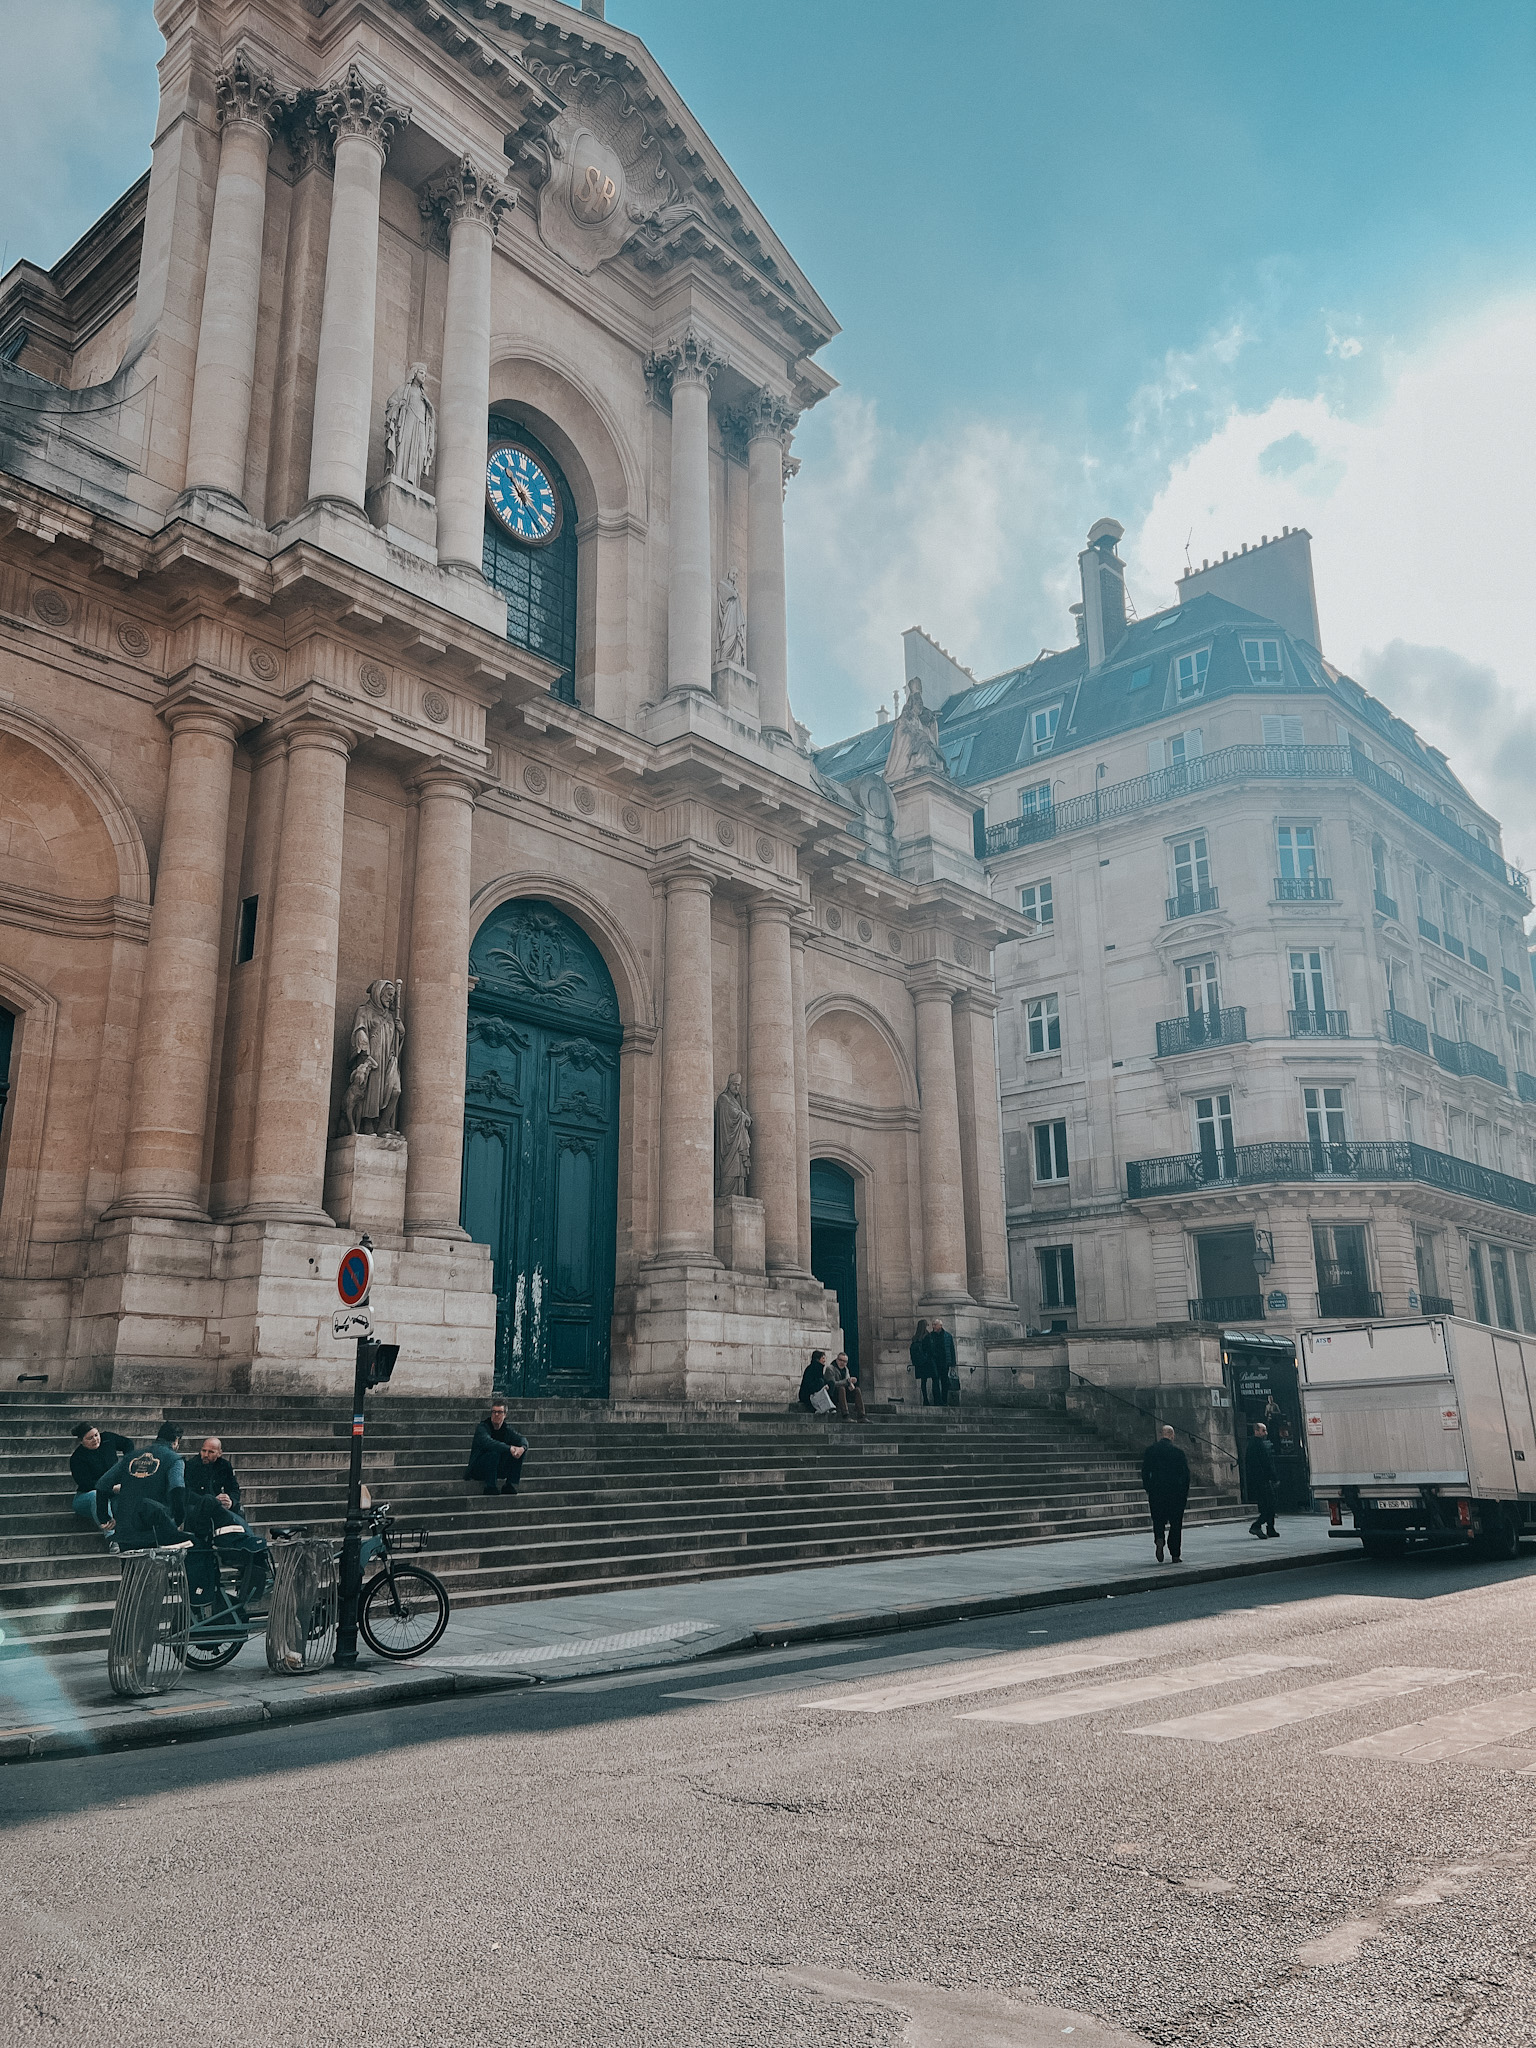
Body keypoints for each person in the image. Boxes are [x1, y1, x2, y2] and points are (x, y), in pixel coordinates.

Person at [185, 1436, 270, 1601]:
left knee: (236, 1511)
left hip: (220, 1510)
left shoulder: (224, 1466)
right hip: (200, 1510)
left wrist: (230, 1501)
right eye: (204, 1450)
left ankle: (249, 1559)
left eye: (210, 1452)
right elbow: (186, 1493)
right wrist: (210, 1501)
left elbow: (234, 1489)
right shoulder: (191, 1465)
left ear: (219, 1453)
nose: (205, 1455)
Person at [96, 1424, 188, 1552]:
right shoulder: (174, 1460)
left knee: (130, 1570)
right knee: (154, 1569)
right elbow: (177, 1488)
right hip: (154, 1527)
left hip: (126, 1526)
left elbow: (102, 1483)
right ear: (176, 1440)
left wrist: (103, 1516)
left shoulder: (132, 1457)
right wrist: (178, 1520)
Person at [69, 1421, 133, 1535]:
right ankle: (112, 1539)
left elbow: (128, 1443)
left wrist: (128, 1463)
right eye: (89, 1438)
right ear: (81, 1442)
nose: (95, 1439)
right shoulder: (77, 1458)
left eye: (96, 1435)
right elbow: (86, 1483)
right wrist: (111, 1488)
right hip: (87, 1496)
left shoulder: (107, 1438)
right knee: (96, 1495)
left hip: (112, 1495)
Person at [1140, 1424, 1191, 1564]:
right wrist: (1183, 1493)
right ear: (1172, 1435)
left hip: (1156, 1491)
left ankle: (1159, 1539)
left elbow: (1145, 1472)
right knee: (1176, 1524)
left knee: (1158, 1519)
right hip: (1175, 1493)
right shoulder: (1178, 1453)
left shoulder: (1150, 1451)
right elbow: (1186, 1475)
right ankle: (1175, 1553)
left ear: (1160, 1434)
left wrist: (1149, 1488)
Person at [465, 1401, 529, 1494]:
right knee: (494, 1453)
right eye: (494, 1412)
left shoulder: (507, 1429)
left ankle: (510, 1485)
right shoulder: (482, 1427)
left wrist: (522, 1448)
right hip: (479, 1468)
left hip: (497, 1467)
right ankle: (490, 1487)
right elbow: (488, 1443)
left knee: (518, 1452)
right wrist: (509, 1448)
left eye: (499, 1412)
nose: (496, 1414)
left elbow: (521, 1439)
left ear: (505, 1415)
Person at [1247, 1422, 1280, 1539]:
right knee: (1269, 1505)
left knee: (1271, 1503)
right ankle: (1256, 1525)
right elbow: (1264, 1464)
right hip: (1262, 1481)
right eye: (1263, 1430)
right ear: (1256, 1431)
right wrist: (1272, 1477)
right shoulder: (1256, 1445)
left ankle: (1270, 1528)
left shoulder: (1259, 1444)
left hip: (1263, 1480)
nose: (1266, 1433)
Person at [823, 1352, 866, 1421]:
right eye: (841, 1360)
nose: (842, 1363)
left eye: (845, 1361)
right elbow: (832, 1384)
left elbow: (847, 1381)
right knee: (841, 1388)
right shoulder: (830, 1369)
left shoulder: (846, 1369)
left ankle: (861, 1415)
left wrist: (851, 1384)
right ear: (837, 1359)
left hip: (844, 1393)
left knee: (857, 1390)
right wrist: (847, 1381)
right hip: (834, 1394)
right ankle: (845, 1415)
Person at [924, 1319, 958, 1408]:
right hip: (934, 1362)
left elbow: (951, 1350)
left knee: (944, 1382)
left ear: (940, 1326)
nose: (933, 1326)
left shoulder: (948, 1336)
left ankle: (944, 1400)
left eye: (935, 1324)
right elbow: (926, 1349)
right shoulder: (930, 1336)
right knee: (935, 1381)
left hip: (944, 1362)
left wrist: (953, 1363)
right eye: (933, 1324)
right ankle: (937, 1401)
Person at [909, 1320, 932, 1404]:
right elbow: (929, 1349)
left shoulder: (915, 1337)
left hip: (918, 1362)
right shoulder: (927, 1336)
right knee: (931, 1379)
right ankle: (927, 1400)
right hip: (926, 1361)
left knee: (923, 1381)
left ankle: (925, 1399)